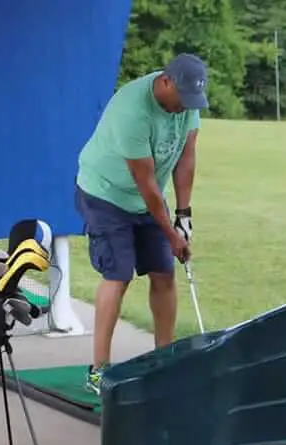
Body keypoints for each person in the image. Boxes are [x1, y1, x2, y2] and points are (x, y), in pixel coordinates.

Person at [74, 53, 209, 394]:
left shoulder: (187, 99)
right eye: (183, 100)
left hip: (148, 197)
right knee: (118, 275)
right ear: (166, 82)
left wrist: (184, 215)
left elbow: (186, 158)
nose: (186, 107)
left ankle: (164, 359)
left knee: (164, 273)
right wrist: (170, 234)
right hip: (105, 194)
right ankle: (98, 369)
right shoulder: (131, 111)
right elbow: (145, 183)